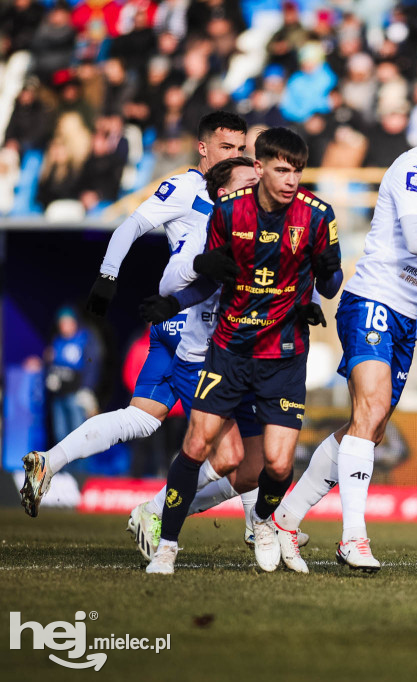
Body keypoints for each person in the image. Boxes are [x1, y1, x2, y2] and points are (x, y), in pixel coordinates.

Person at [271, 90, 417, 574]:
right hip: (373, 300)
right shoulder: (414, 168)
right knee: (371, 410)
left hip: (406, 317)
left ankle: (284, 518)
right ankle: (353, 538)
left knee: (366, 429)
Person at [19, 111, 247, 518]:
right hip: (196, 324)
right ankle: (168, 515)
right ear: (203, 148)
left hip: (173, 322)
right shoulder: (187, 187)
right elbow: (129, 227)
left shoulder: (237, 191)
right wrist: (107, 278)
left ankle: (48, 461)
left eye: (240, 149)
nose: (234, 155)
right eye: (226, 147)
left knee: (141, 419)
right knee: (234, 452)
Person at [145, 127, 343, 575]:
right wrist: (172, 302)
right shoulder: (229, 213)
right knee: (196, 445)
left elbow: (330, 286)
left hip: (285, 355)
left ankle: (261, 521)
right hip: (229, 351)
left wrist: (328, 272)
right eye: (281, 170)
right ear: (259, 167)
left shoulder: (316, 216)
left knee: (277, 464)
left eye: (297, 171)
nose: (291, 180)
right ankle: (167, 548)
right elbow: (212, 280)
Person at [126, 156, 308, 561]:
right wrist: (201, 265)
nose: (259, 184)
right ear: (224, 193)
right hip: (206, 358)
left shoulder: (272, 226)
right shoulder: (209, 228)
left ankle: (161, 510)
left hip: (254, 359)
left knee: (249, 471)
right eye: (249, 179)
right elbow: (171, 282)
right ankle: (166, 526)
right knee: (224, 455)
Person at [45, 307, 103, 443]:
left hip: (76, 394)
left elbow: (92, 363)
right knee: (61, 435)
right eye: (61, 323)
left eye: (66, 322)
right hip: (59, 394)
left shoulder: (84, 339)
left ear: (74, 322)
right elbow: (53, 362)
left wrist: (87, 388)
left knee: (80, 434)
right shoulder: (58, 341)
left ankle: (81, 465)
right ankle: (66, 465)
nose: (63, 326)